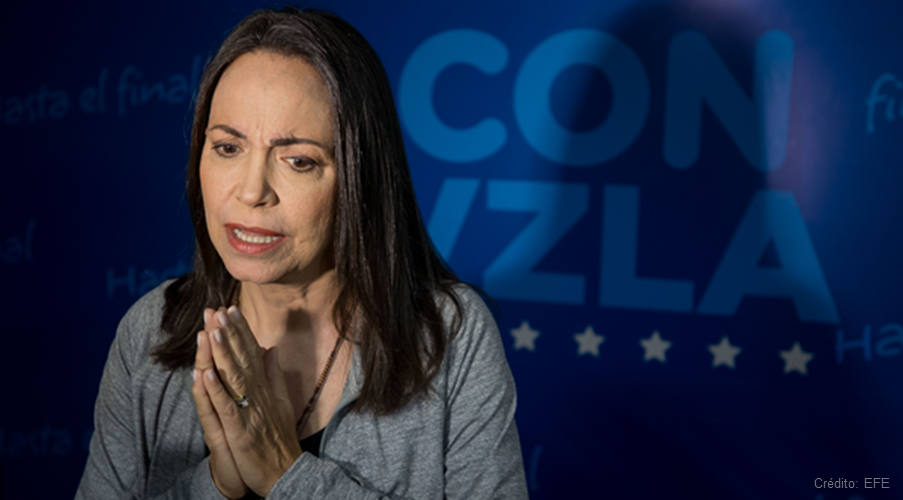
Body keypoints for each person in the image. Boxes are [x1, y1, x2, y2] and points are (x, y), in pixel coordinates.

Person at [75, 7, 528, 500]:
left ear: (358, 179)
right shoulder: (151, 330)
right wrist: (218, 484)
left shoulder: (451, 337)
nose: (252, 191)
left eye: (298, 161)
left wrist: (283, 474)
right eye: (227, 148)